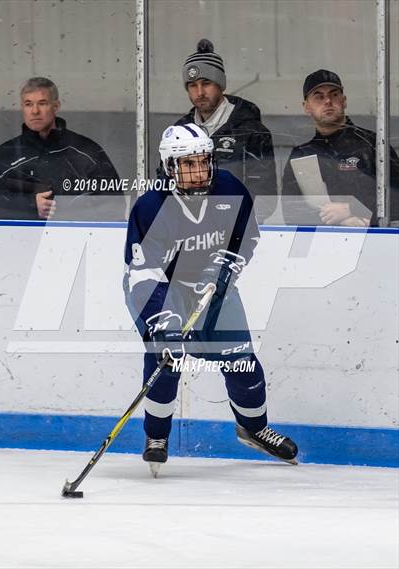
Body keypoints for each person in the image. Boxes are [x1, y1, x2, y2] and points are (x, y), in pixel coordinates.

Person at [124, 123, 298, 476]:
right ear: (169, 166)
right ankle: (156, 437)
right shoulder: (151, 206)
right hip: (165, 290)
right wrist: (162, 323)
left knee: (242, 362)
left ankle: (253, 427)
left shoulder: (230, 189)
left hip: (215, 288)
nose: (198, 171)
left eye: (203, 161)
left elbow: (245, 238)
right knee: (166, 360)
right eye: (188, 164)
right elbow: (142, 275)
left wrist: (225, 270)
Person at [0, 76, 125, 220]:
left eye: (42, 103)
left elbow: (115, 205)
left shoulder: (86, 151)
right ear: (22, 107)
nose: (35, 111)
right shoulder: (0, 158)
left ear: (56, 106)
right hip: (17, 241)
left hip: (76, 240)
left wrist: (64, 211)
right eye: (28, 104)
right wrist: (30, 206)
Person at [175, 39, 278, 224]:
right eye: (192, 85)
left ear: (220, 84)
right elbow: (165, 187)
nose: (199, 92)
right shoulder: (178, 132)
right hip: (189, 230)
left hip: (238, 230)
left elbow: (265, 198)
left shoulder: (251, 130)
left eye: (206, 83)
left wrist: (228, 221)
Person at [281, 69, 399, 226]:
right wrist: (343, 222)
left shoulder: (373, 145)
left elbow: (396, 199)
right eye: (319, 96)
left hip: (372, 243)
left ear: (344, 100)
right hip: (319, 246)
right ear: (306, 106)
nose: (328, 101)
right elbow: (290, 212)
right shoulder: (302, 155)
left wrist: (353, 209)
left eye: (334, 94)